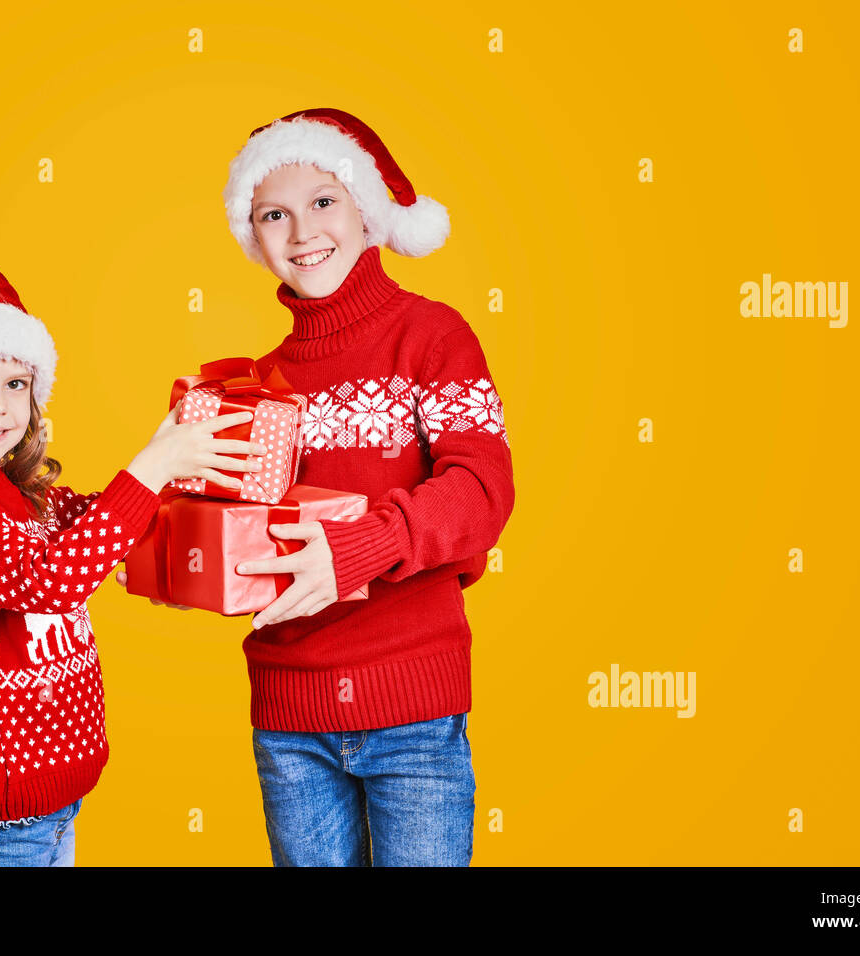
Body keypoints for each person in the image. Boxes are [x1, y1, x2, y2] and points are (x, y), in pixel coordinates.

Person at [0, 258, 262, 865]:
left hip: (56, 797)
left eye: (14, 384)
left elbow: (97, 524)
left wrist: (176, 463)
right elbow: (53, 579)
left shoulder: (14, 490)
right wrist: (150, 469)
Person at [222, 108, 514, 866]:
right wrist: (182, 536)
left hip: (414, 713)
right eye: (273, 215)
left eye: (323, 201)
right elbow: (252, 542)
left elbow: (482, 489)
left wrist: (360, 549)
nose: (301, 232)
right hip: (289, 714)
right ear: (254, 237)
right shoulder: (254, 384)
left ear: (367, 208)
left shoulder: (434, 338)